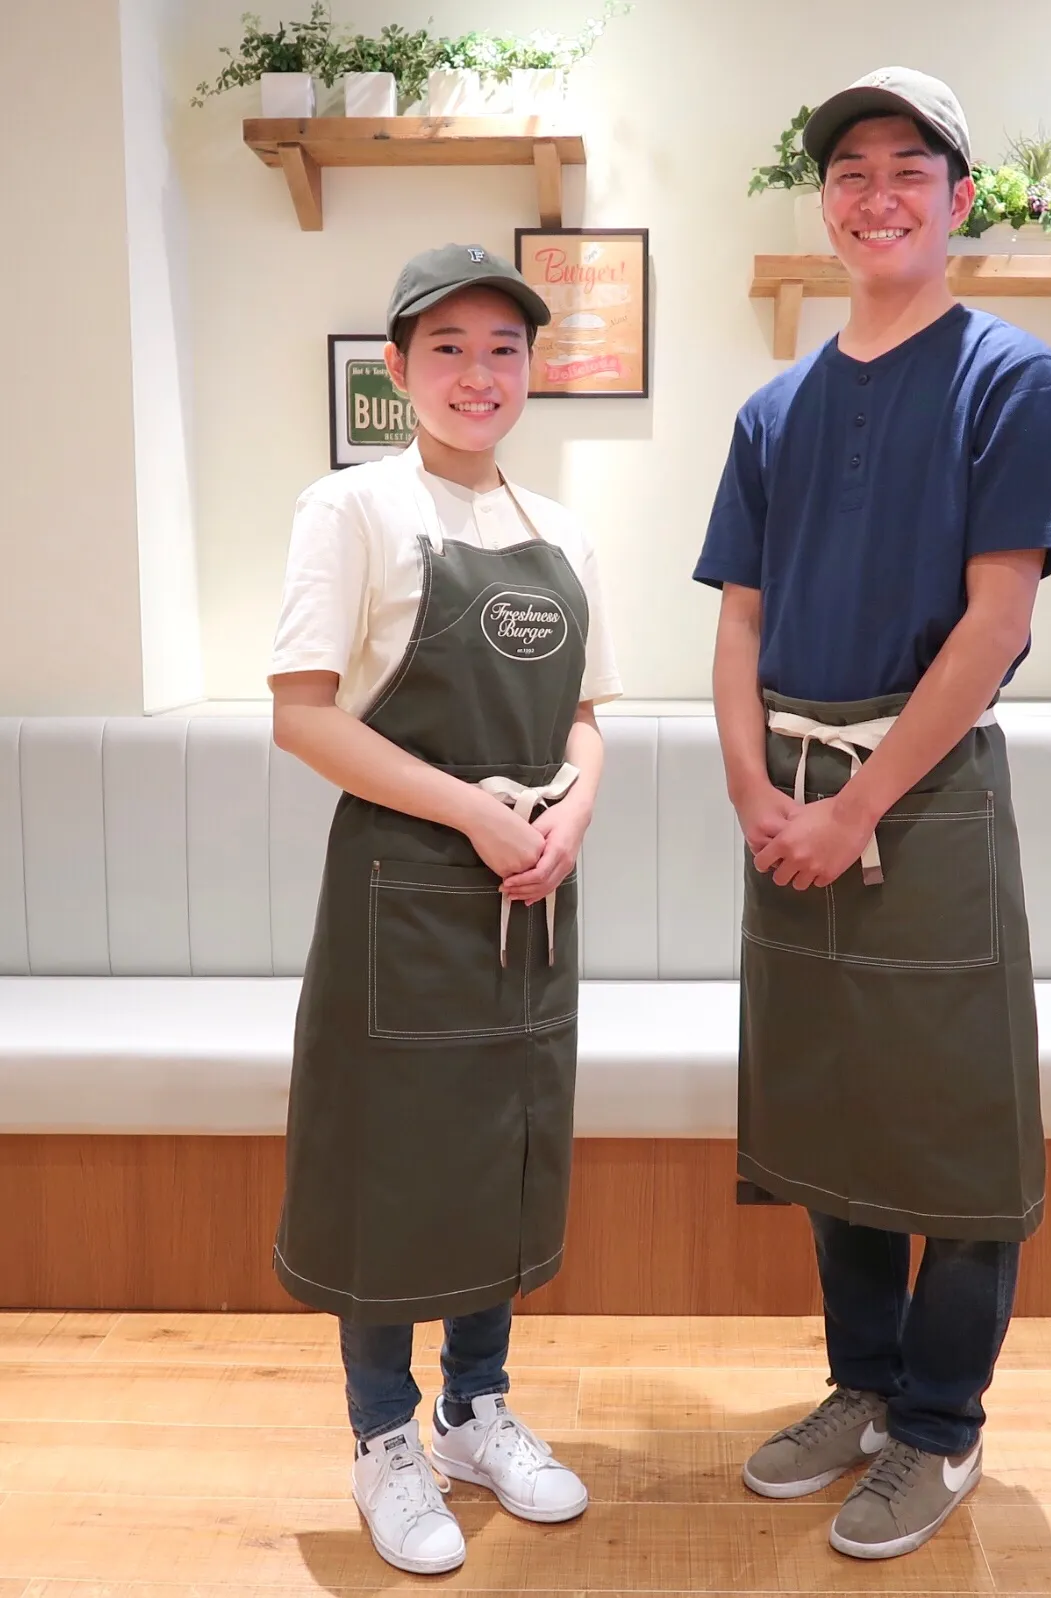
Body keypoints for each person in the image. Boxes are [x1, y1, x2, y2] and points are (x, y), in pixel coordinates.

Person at [694, 67, 1051, 1560]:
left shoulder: (1008, 376)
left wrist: (855, 803)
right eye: (850, 171)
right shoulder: (773, 408)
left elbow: (995, 623)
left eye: (907, 169)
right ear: (826, 204)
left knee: (957, 1123)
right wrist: (756, 791)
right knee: (828, 1103)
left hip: (921, 796)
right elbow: (737, 622)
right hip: (786, 793)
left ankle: (939, 1424)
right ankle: (860, 1384)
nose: (876, 195)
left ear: (957, 197)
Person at [269, 244, 621, 1576]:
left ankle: (475, 1411)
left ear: (532, 368)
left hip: (530, 891)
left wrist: (569, 815)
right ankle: (382, 1436)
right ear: (400, 367)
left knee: (499, 1147)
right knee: (390, 1163)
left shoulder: (564, 531)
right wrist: (474, 813)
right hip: (404, 889)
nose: (480, 374)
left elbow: (586, 718)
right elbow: (304, 717)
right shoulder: (351, 509)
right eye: (450, 349)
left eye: (504, 349)